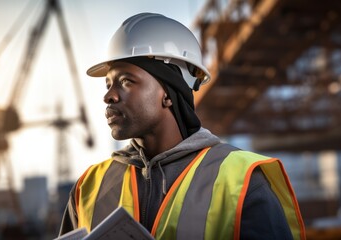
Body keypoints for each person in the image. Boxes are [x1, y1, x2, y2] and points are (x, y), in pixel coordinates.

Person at [59, 12, 305, 240]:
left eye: (126, 81)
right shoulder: (88, 186)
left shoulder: (242, 181)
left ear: (169, 93)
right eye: (108, 85)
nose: (109, 96)